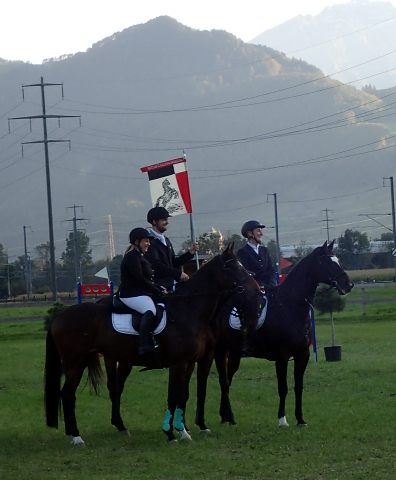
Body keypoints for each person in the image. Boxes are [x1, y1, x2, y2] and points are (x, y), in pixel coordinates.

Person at [118, 227, 164, 355]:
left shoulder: (140, 256)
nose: (148, 244)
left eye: (149, 241)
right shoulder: (132, 257)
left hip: (140, 293)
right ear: (137, 242)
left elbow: (149, 279)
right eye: (146, 241)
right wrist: (156, 291)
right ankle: (143, 344)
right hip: (130, 294)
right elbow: (139, 279)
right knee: (150, 311)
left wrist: (160, 289)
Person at [237, 220, 277, 356]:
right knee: (253, 312)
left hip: (268, 288)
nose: (261, 233)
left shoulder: (265, 251)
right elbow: (245, 274)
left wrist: (269, 285)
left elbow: (271, 271)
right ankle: (248, 342)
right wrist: (258, 287)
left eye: (261, 230)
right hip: (253, 292)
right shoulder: (242, 253)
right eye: (258, 230)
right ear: (250, 233)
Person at [145, 206, 199, 291]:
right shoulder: (149, 243)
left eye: (167, 219)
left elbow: (172, 262)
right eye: (164, 220)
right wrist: (178, 273)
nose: (167, 222)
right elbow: (157, 265)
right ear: (154, 222)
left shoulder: (166, 240)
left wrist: (189, 254)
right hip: (159, 286)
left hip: (171, 283)